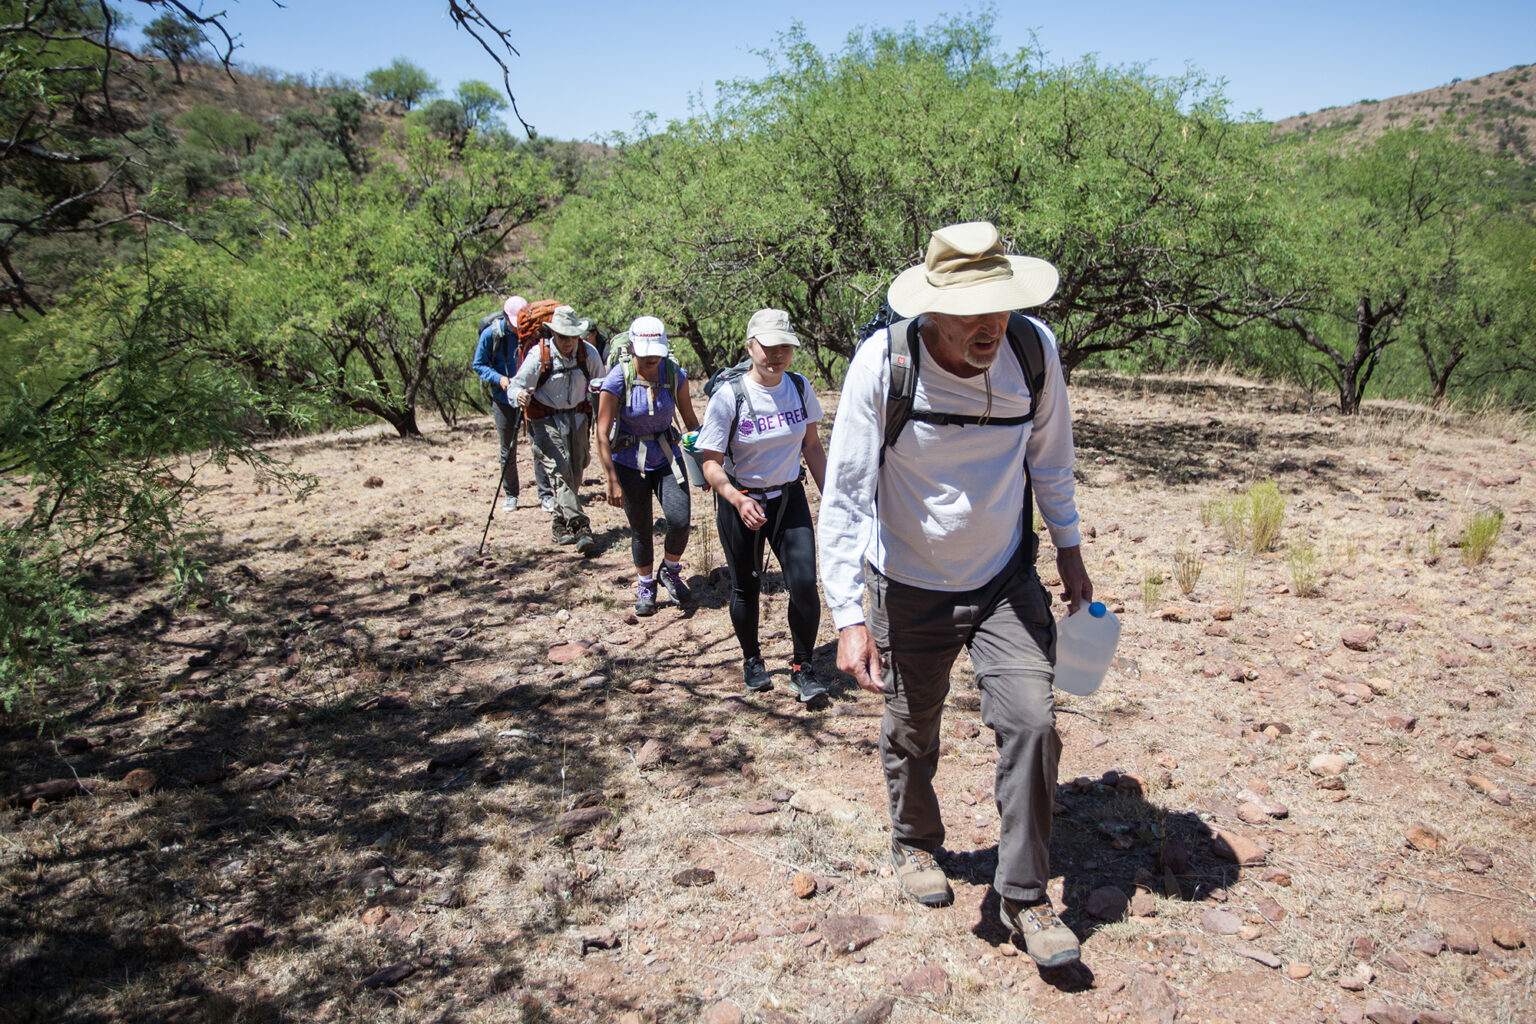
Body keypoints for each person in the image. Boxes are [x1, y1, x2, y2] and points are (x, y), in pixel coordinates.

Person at [817, 222, 1092, 968]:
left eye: (999, 305)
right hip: (906, 580)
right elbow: (843, 497)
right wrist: (847, 616)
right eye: (971, 311)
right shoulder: (885, 363)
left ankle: (1025, 896)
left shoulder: (1034, 352)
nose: (989, 326)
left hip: (1004, 576)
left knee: (1033, 723)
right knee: (913, 726)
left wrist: (1069, 549)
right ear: (932, 309)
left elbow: (1052, 457)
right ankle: (913, 842)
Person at [695, 308, 828, 704]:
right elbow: (710, 463)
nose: (777, 355)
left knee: (804, 583)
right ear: (751, 346)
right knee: (746, 586)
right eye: (769, 347)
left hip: (789, 498)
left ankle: (803, 668)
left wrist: (832, 498)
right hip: (743, 502)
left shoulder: (800, 388)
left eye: (785, 347)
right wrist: (736, 499)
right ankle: (752, 659)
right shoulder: (729, 396)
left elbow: (813, 447)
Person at [594, 316, 701, 616]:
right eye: (645, 351)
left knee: (680, 520)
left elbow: (690, 421)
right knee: (641, 527)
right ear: (632, 348)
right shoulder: (618, 378)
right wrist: (610, 479)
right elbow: (601, 432)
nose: (652, 357)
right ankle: (645, 585)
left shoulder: (674, 374)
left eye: (657, 350)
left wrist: (706, 463)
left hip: (667, 456)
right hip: (629, 461)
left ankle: (669, 570)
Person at [509, 304, 606, 556]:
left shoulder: (589, 354)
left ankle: (558, 523)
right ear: (553, 334)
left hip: (577, 418)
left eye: (572, 336)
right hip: (545, 420)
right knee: (560, 472)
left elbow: (602, 385)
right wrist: (519, 394)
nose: (568, 342)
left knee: (575, 472)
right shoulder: (538, 356)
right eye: (563, 336)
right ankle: (581, 528)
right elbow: (515, 385)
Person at [472, 294, 541, 511]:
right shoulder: (491, 335)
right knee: (507, 447)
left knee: (538, 444)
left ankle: (546, 494)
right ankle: (511, 494)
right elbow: (479, 364)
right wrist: (499, 379)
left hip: (531, 396)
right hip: (503, 398)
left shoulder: (533, 333)